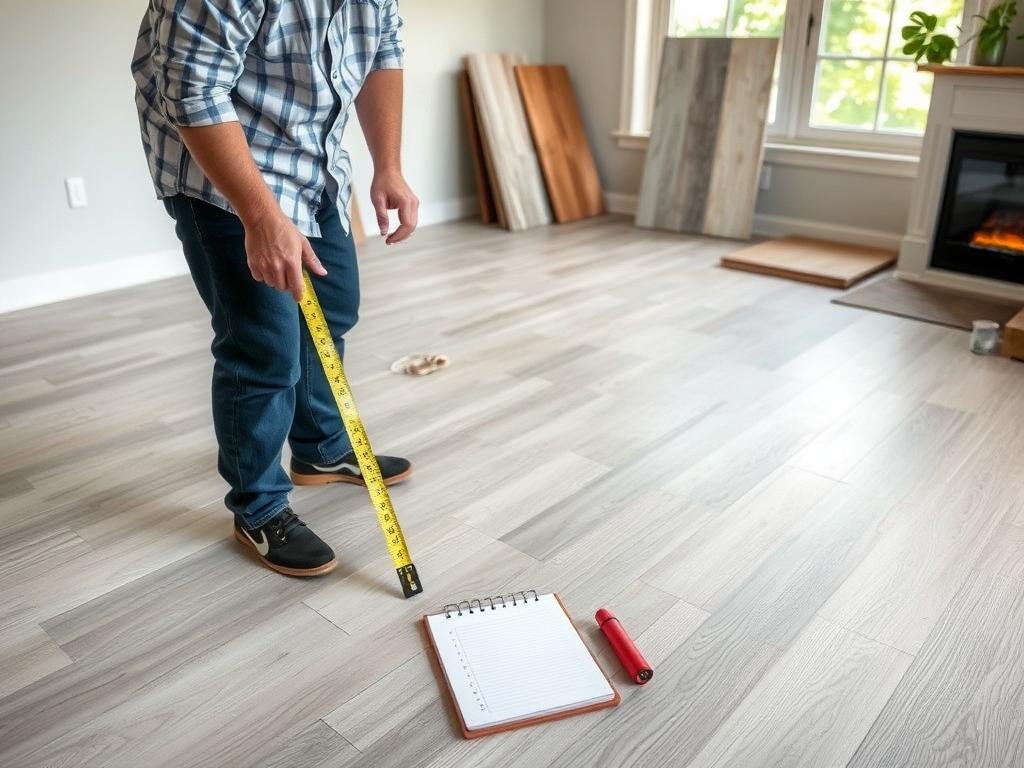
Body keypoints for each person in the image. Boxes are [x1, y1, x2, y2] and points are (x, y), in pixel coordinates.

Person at [131, 0, 417, 577]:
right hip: (223, 175)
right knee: (262, 347)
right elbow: (193, 92)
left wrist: (388, 165)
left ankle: (321, 449)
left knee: (333, 312)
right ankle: (259, 507)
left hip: (313, 164)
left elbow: (383, 52)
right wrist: (261, 218)